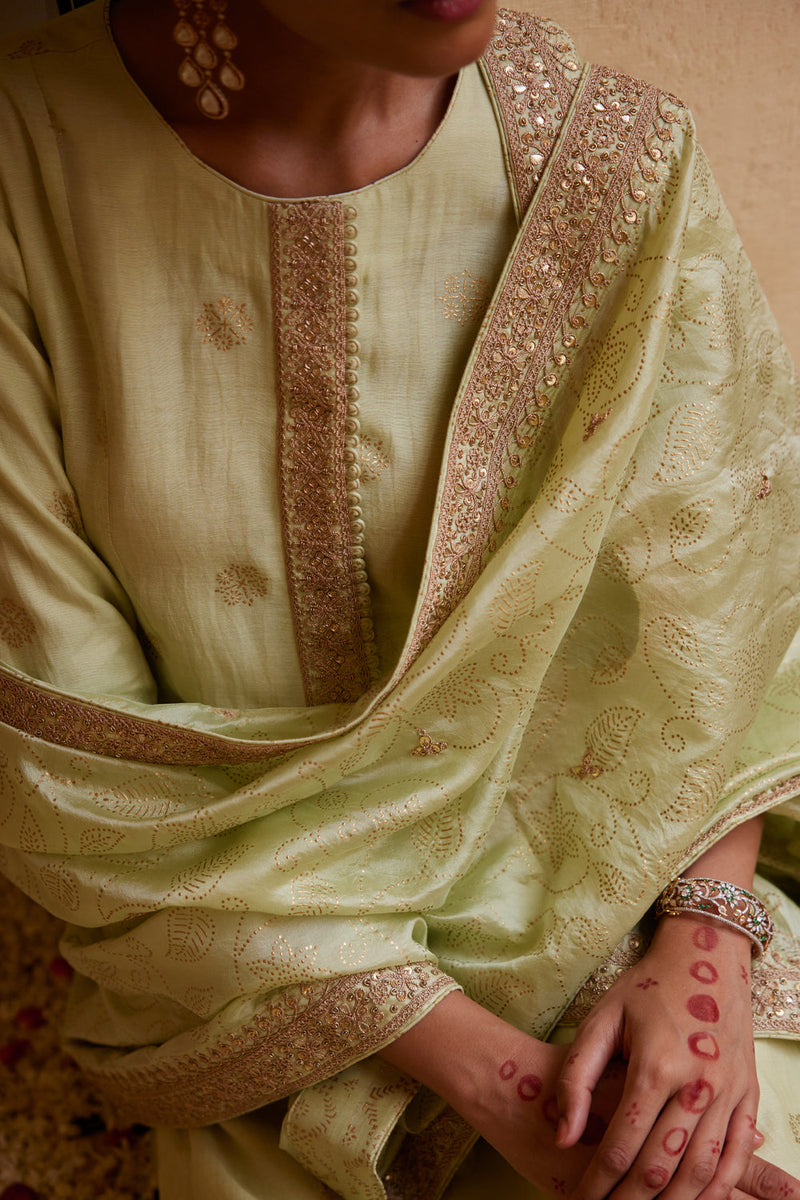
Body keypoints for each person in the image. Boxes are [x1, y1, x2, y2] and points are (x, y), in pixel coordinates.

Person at [0, 1, 799, 1198]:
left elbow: (722, 640)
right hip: (246, 989)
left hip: (626, 942)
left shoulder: (614, 164)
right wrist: (508, 1094)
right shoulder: (28, 170)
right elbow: (68, 757)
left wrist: (700, 958)